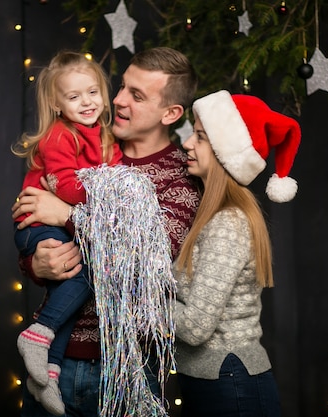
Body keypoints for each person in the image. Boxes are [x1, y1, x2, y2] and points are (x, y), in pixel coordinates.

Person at [12, 47, 201, 417]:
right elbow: (30, 222)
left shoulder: (181, 175)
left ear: (171, 113)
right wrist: (36, 265)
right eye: (121, 88)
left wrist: (66, 213)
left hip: (124, 370)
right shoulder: (90, 146)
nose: (118, 100)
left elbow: (147, 261)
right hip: (56, 358)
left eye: (137, 95)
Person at [173, 89, 301, 417]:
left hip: (231, 385)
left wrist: (138, 298)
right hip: (213, 381)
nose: (187, 143)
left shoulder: (228, 222)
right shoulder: (210, 215)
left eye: (200, 137)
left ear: (223, 152)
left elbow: (195, 326)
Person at [11, 51, 123, 415]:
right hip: (36, 226)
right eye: (74, 97)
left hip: (64, 223)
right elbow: (71, 191)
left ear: (104, 95)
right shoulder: (59, 137)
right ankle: (37, 333)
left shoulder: (105, 136)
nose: (86, 102)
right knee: (85, 272)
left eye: (92, 92)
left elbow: (117, 180)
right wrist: (105, 192)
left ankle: (47, 373)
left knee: (72, 295)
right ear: (57, 104)